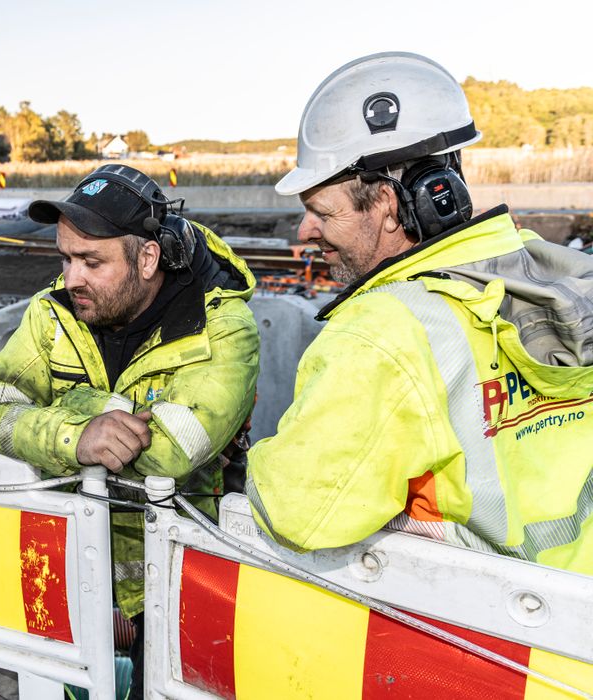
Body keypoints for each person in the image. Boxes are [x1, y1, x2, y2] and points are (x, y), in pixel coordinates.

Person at [247, 52, 593, 572]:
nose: (304, 233)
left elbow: (295, 513)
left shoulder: (383, 332)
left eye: (321, 212)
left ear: (388, 203)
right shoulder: (551, 270)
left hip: (497, 638)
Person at [0, 164, 259, 696]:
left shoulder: (221, 328)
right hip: (64, 568)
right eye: (65, 258)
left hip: (179, 584)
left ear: (147, 258)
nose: (70, 277)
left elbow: (171, 453)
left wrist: (64, 405)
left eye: (90, 261)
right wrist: (77, 432)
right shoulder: (52, 312)